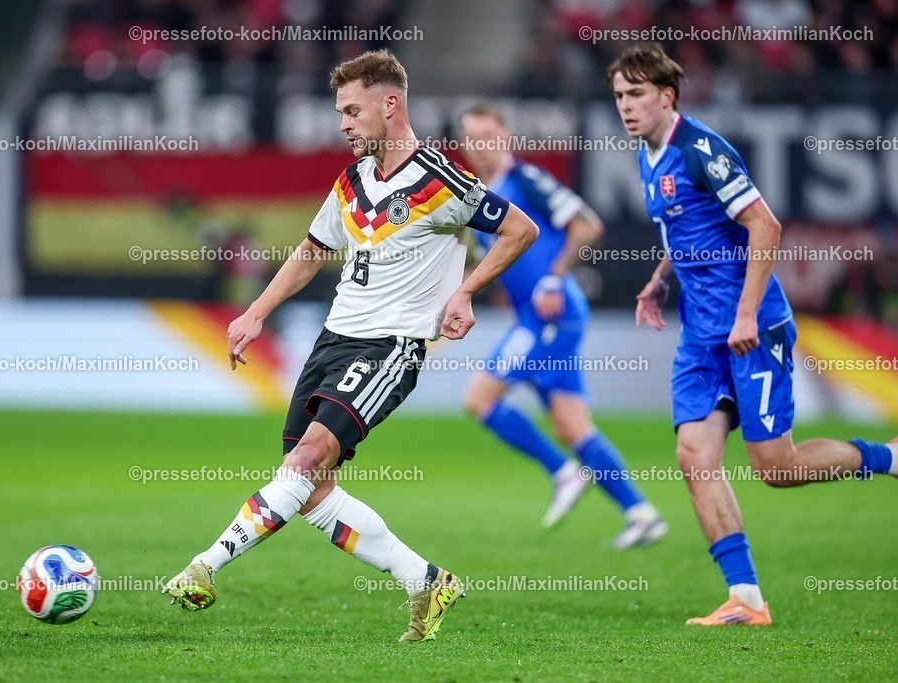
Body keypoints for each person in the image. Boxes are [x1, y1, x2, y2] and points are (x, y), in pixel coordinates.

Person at [163, 49, 539, 642]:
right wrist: (256, 312)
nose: (342, 123)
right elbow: (312, 251)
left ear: (389, 105)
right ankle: (426, 579)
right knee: (311, 491)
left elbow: (521, 229)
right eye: (340, 111)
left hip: (390, 347)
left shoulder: (441, 181)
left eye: (351, 110)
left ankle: (203, 567)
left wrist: (464, 292)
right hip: (333, 341)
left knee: (307, 459)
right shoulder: (353, 179)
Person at [607, 42, 897, 626]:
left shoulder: (701, 151)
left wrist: (744, 314)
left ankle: (887, 457)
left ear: (667, 96)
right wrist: (659, 279)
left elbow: (764, 224)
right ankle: (746, 598)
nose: (626, 107)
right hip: (701, 337)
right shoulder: (647, 154)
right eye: (618, 96)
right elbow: (683, 229)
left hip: (753, 327)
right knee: (694, 456)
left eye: (636, 94)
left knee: (775, 467)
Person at [459, 103, 668, 548]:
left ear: (506, 138)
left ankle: (562, 472)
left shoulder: (526, 181)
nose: (478, 147)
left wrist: (553, 277)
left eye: (486, 136)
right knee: (574, 427)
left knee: (479, 398)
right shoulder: (479, 199)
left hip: (551, 316)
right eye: (470, 138)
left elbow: (587, 225)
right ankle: (640, 512)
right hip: (536, 319)